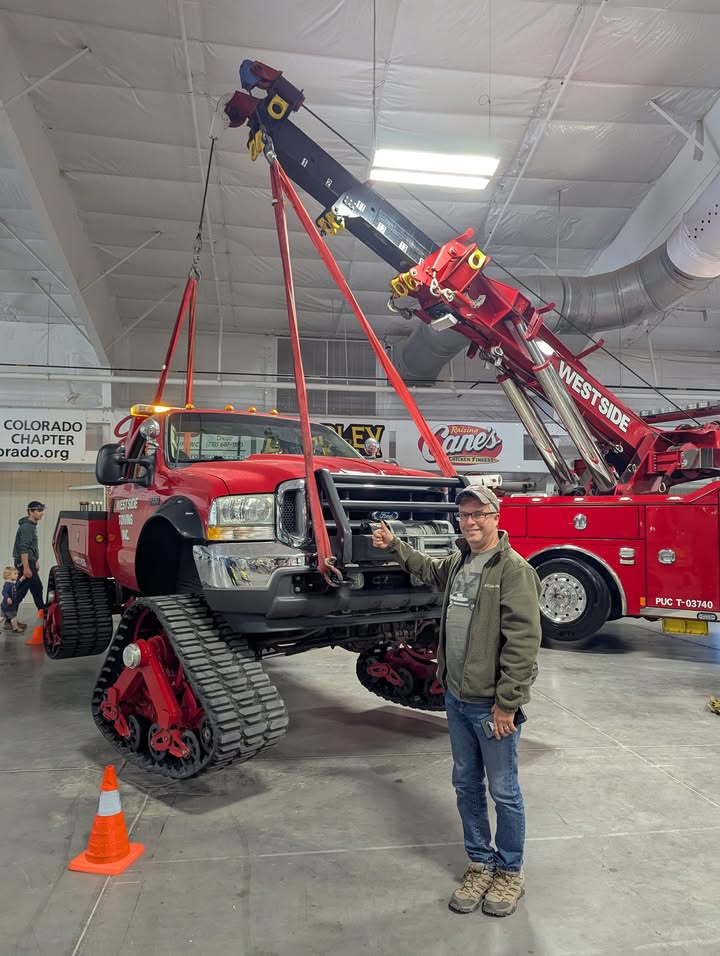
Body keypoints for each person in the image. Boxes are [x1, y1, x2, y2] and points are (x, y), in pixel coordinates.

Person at [372, 483, 541, 918]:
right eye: (463, 515)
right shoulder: (460, 562)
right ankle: (480, 863)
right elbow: (427, 569)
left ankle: (510, 871)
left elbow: (523, 644)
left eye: (478, 514)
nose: (469, 522)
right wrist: (395, 545)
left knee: (504, 791)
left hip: (491, 705)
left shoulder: (513, 570)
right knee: (466, 784)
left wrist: (507, 702)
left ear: (495, 515)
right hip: (458, 700)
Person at [14, 501, 46, 615]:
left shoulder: (31, 526)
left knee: (32, 588)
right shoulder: (27, 527)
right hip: (25, 562)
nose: (41, 513)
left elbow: (31, 546)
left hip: (29, 561)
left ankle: (42, 613)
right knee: (26, 589)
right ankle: (42, 613)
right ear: (30, 512)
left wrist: (35, 560)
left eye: (42, 510)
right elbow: (24, 548)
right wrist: (26, 567)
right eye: (39, 511)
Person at [2, 566, 26, 633]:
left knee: (2, 617)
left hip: (5, 605)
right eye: (15, 574)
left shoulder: (11, 584)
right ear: (9, 576)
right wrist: (8, 598)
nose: (17, 575)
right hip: (9, 605)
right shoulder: (7, 585)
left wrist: (21, 579)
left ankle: (15, 628)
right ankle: (15, 628)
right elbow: (4, 592)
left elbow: (16, 585)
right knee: (13, 617)